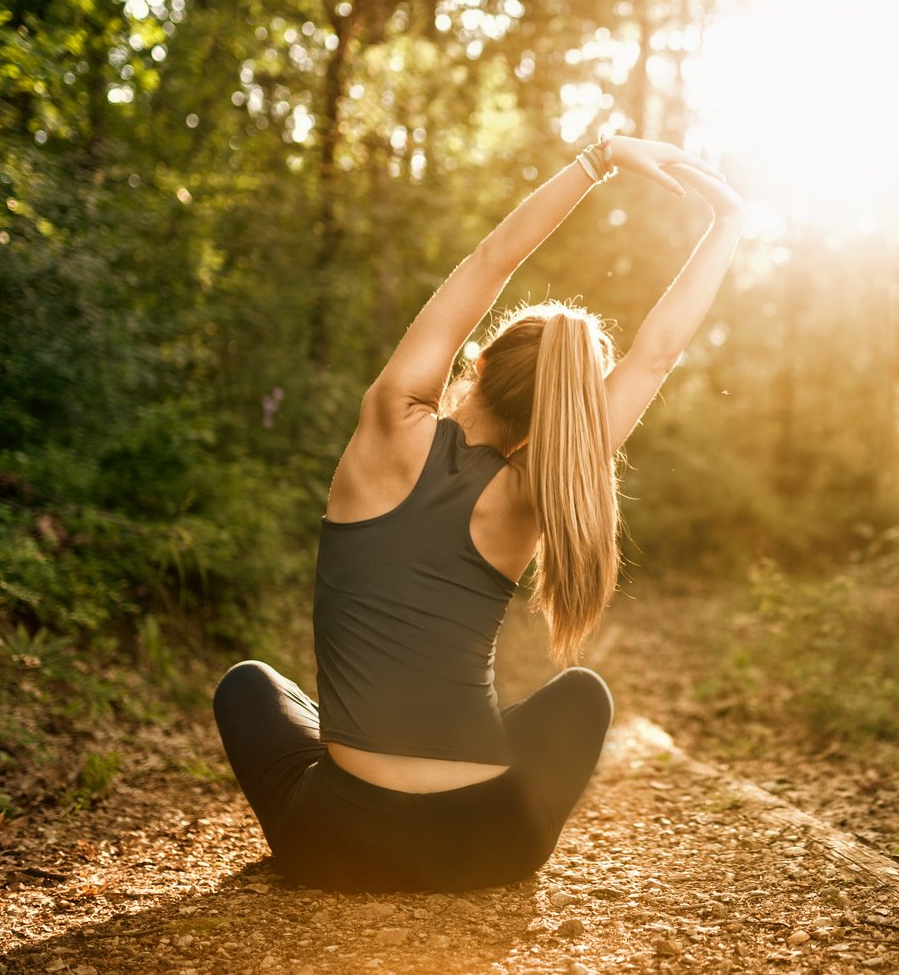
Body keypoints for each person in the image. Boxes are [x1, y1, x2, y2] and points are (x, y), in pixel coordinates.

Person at [211, 134, 747, 893]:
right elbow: (653, 357)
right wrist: (728, 220)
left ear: (481, 363)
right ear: (552, 419)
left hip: (337, 844)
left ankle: (345, 832)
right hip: (486, 844)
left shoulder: (390, 426)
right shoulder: (537, 490)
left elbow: (490, 262)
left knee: (250, 685)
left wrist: (598, 160)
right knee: (583, 695)